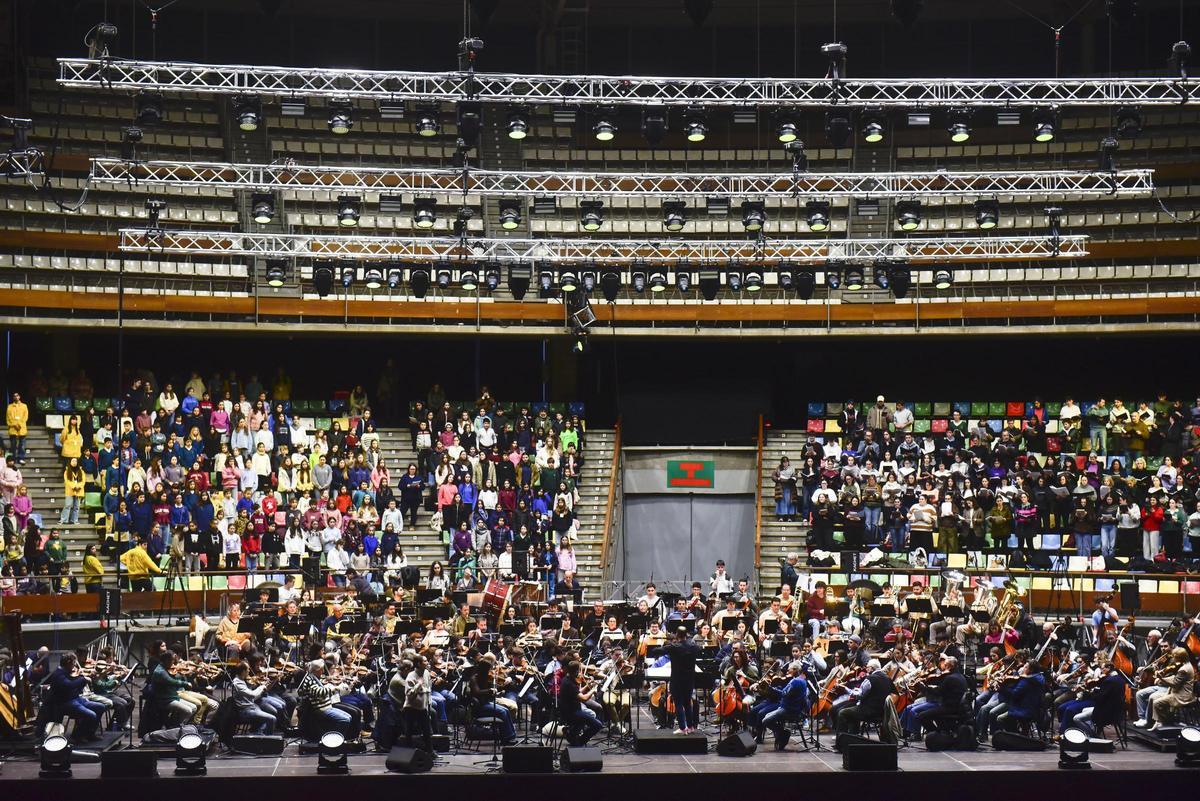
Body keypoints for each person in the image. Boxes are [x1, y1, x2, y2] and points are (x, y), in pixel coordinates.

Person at [762, 661, 808, 751]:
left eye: (789, 668)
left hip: (789, 709)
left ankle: (783, 733)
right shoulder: (802, 680)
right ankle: (781, 734)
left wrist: (770, 688)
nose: (787, 670)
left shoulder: (795, 681)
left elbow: (783, 693)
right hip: (792, 707)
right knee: (767, 716)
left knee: (765, 720)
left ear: (795, 670)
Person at [664, 626, 700, 734]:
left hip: (677, 680)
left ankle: (683, 728)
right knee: (687, 703)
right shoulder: (694, 646)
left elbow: (657, 651)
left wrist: (666, 645)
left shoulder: (674, 647)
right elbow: (700, 649)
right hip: (689, 680)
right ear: (686, 635)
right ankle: (691, 726)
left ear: (676, 635)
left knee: (678, 703)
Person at [559, 660, 603, 746]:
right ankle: (580, 741)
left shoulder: (567, 679)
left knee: (583, 720)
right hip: (571, 713)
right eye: (579, 670)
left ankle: (572, 735)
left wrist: (588, 686)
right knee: (598, 725)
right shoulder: (569, 683)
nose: (580, 673)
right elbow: (584, 698)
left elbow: (577, 692)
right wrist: (593, 691)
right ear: (575, 671)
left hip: (572, 710)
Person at [402, 655, 435, 753]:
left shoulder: (426, 673)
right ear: (418, 664)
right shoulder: (411, 676)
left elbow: (429, 690)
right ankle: (407, 753)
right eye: (425, 661)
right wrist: (418, 685)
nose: (427, 662)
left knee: (426, 731)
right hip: (411, 707)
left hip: (422, 707)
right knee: (409, 732)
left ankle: (430, 752)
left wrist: (429, 704)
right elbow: (409, 694)